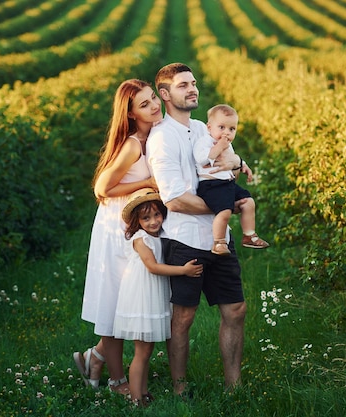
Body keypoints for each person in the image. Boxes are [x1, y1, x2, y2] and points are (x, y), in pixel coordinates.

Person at [146, 63, 247, 396]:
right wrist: (227, 205)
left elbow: (229, 160)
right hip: (186, 239)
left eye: (193, 83)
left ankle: (234, 386)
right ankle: (179, 387)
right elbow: (174, 199)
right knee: (184, 317)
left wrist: (235, 165)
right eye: (182, 85)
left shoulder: (204, 128)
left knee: (235, 309)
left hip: (219, 238)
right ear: (165, 94)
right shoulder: (162, 137)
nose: (192, 89)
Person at [75, 79, 162, 395]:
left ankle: (94, 357)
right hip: (116, 228)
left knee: (128, 297)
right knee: (116, 301)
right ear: (129, 115)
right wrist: (145, 184)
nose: (154, 105)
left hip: (132, 224)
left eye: (153, 98)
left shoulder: (153, 134)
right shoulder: (132, 145)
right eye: (144, 104)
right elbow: (102, 188)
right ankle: (116, 382)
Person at [114, 188, 203, 406]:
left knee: (148, 348)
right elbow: (152, 267)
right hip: (143, 296)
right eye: (146, 217)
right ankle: (136, 399)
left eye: (157, 215)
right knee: (142, 351)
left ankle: (142, 391)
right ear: (137, 220)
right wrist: (184, 271)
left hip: (153, 294)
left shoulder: (159, 236)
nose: (154, 221)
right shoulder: (140, 239)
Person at [193, 104, 270, 255]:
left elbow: (232, 159)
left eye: (231, 129)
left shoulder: (228, 145)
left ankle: (249, 235)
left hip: (227, 183)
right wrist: (219, 147)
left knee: (249, 202)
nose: (226, 133)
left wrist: (243, 166)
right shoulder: (204, 142)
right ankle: (219, 242)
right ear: (209, 127)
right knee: (225, 212)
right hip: (211, 185)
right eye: (221, 127)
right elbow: (201, 159)